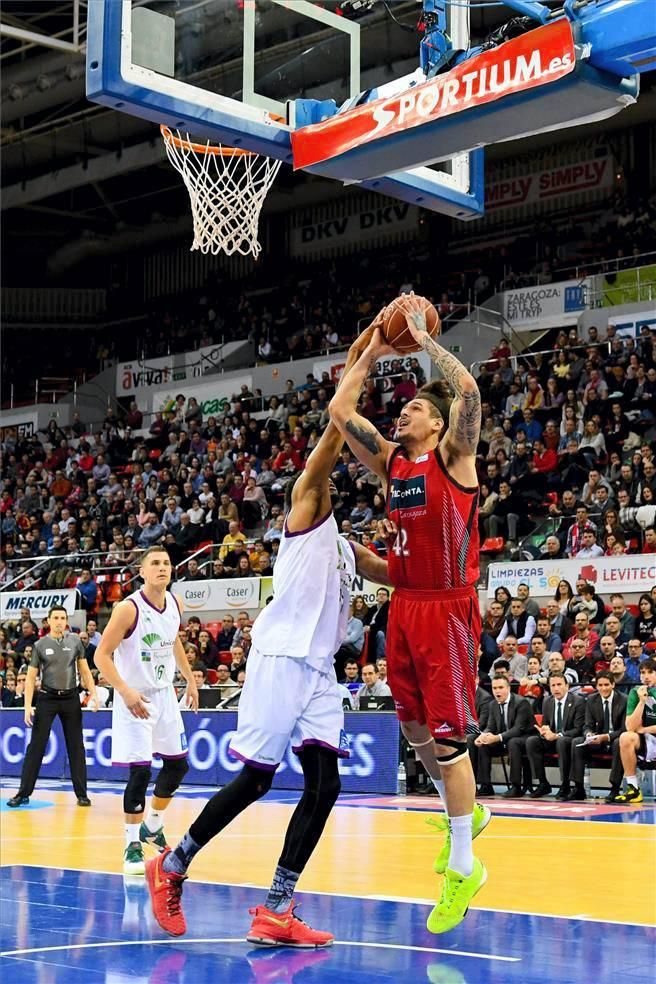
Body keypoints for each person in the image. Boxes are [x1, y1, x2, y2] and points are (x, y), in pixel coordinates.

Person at [145, 329, 390, 946]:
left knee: (325, 784)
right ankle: (171, 866)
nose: (330, 478)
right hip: (279, 660)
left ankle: (276, 907)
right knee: (257, 779)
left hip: (318, 671)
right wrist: (367, 357)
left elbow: (394, 573)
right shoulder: (306, 512)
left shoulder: (341, 544)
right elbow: (335, 433)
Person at [329, 295, 488, 934]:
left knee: (448, 741)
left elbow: (469, 390)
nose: (405, 409)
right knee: (416, 729)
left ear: (439, 423)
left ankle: (464, 863)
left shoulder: (456, 458)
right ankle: (464, 814)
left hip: (448, 609)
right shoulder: (393, 463)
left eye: (417, 406)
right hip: (404, 606)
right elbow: (342, 410)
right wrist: (371, 345)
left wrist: (423, 341)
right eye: (407, 404)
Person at [94, 547, 198, 874]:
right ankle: (131, 846)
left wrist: (190, 678)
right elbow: (101, 656)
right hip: (134, 696)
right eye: (155, 563)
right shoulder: (128, 609)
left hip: (165, 694)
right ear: (142, 571)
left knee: (178, 766)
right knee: (140, 772)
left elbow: (173, 640)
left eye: (167, 563)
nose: (162, 568)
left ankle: (152, 825)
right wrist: (124, 692)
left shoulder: (176, 604)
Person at [7, 605, 97, 808]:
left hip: (71, 698)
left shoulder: (75, 641)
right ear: (48, 620)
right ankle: (23, 793)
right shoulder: (40, 645)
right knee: (36, 746)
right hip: (47, 698)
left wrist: (94, 694)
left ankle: (82, 794)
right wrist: (27, 706)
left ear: (66, 621)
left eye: (62, 618)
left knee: (76, 746)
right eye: (55, 617)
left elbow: (84, 670)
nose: (59, 621)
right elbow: (30, 678)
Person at [469, 675, 534, 798]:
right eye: (494, 688)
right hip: (505, 739)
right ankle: (486, 785)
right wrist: (483, 736)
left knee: (513, 742)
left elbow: (518, 729)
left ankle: (516, 786)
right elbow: (490, 726)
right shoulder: (493, 704)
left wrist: (497, 737)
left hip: (526, 739)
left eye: (500, 687)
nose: (497, 691)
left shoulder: (521, 702)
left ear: (508, 688)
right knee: (484, 744)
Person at [525, 672, 585, 799]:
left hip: (570, 740)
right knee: (532, 741)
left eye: (559, 684)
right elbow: (547, 725)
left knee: (561, 741)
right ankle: (543, 783)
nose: (556, 688)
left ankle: (565, 785)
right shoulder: (547, 701)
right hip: (552, 739)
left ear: (567, 686)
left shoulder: (578, 701)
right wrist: (544, 731)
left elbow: (578, 729)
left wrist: (557, 735)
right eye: (553, 685)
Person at [568, 672, 626, 801]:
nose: (603, 688)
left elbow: (624, 729)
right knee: (577, 742)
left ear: (613, 685)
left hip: (615, 738)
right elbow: (587, 725)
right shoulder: (592, 700)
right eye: (600, 685)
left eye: (606, 684)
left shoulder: (624, 700)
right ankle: (578, 788)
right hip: (598, 740)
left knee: (619, 743)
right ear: (596, 686)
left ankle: (615, 788)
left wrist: (606, 737)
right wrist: (588, 734)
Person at [613, 658, 656, 804]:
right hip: (648, 739)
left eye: (650, 672)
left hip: (648, 733)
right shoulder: (635, 692)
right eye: (643, 673)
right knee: (625, 737)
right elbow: (630, 727)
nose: (646, 676)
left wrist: (644, 729)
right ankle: (634, 789)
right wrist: (642, 702)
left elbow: (639, 729)